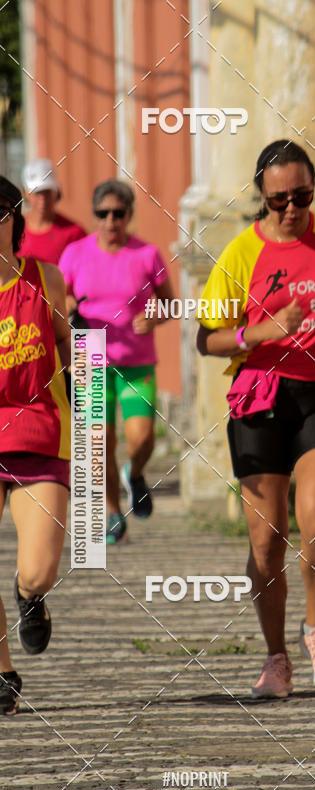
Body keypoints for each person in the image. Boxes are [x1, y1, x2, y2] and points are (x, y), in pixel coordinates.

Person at [196, 139, 315, 699]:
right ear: (263, 196)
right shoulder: (240, 254)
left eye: (302, 196)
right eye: (279, 200)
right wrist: (263, 331)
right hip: (260, 396)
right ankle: (276, 658)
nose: (292, 208)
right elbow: (207, 339)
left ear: (314, 189)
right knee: (267, 539)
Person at [59, 179, 174, 544]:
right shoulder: (75, 253)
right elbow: (60, 297)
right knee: (99, 441)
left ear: (129, 215)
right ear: (95, 215)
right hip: (90, 356)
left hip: (136, 361)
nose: (111, 220)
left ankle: (134, 473)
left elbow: (171, 303)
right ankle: (112, 511)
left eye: (118, 213)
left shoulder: (147, 255)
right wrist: (70, 308)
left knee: (142, 438)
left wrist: (154, 318)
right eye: (103, 213)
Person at [0, 175, 70, 715]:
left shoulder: (46, 279)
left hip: (39, 433)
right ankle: (3, 672)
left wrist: (93, 431)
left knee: (40, 569)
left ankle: (29, 597)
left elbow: (79, 350)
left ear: (15, 219)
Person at [20, 159, 86, 264]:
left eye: (47, 192)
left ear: (56, 191)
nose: (42, 199)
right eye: (37, 192)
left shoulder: (75, 233)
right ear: (25, 193)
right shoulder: (12, 230)